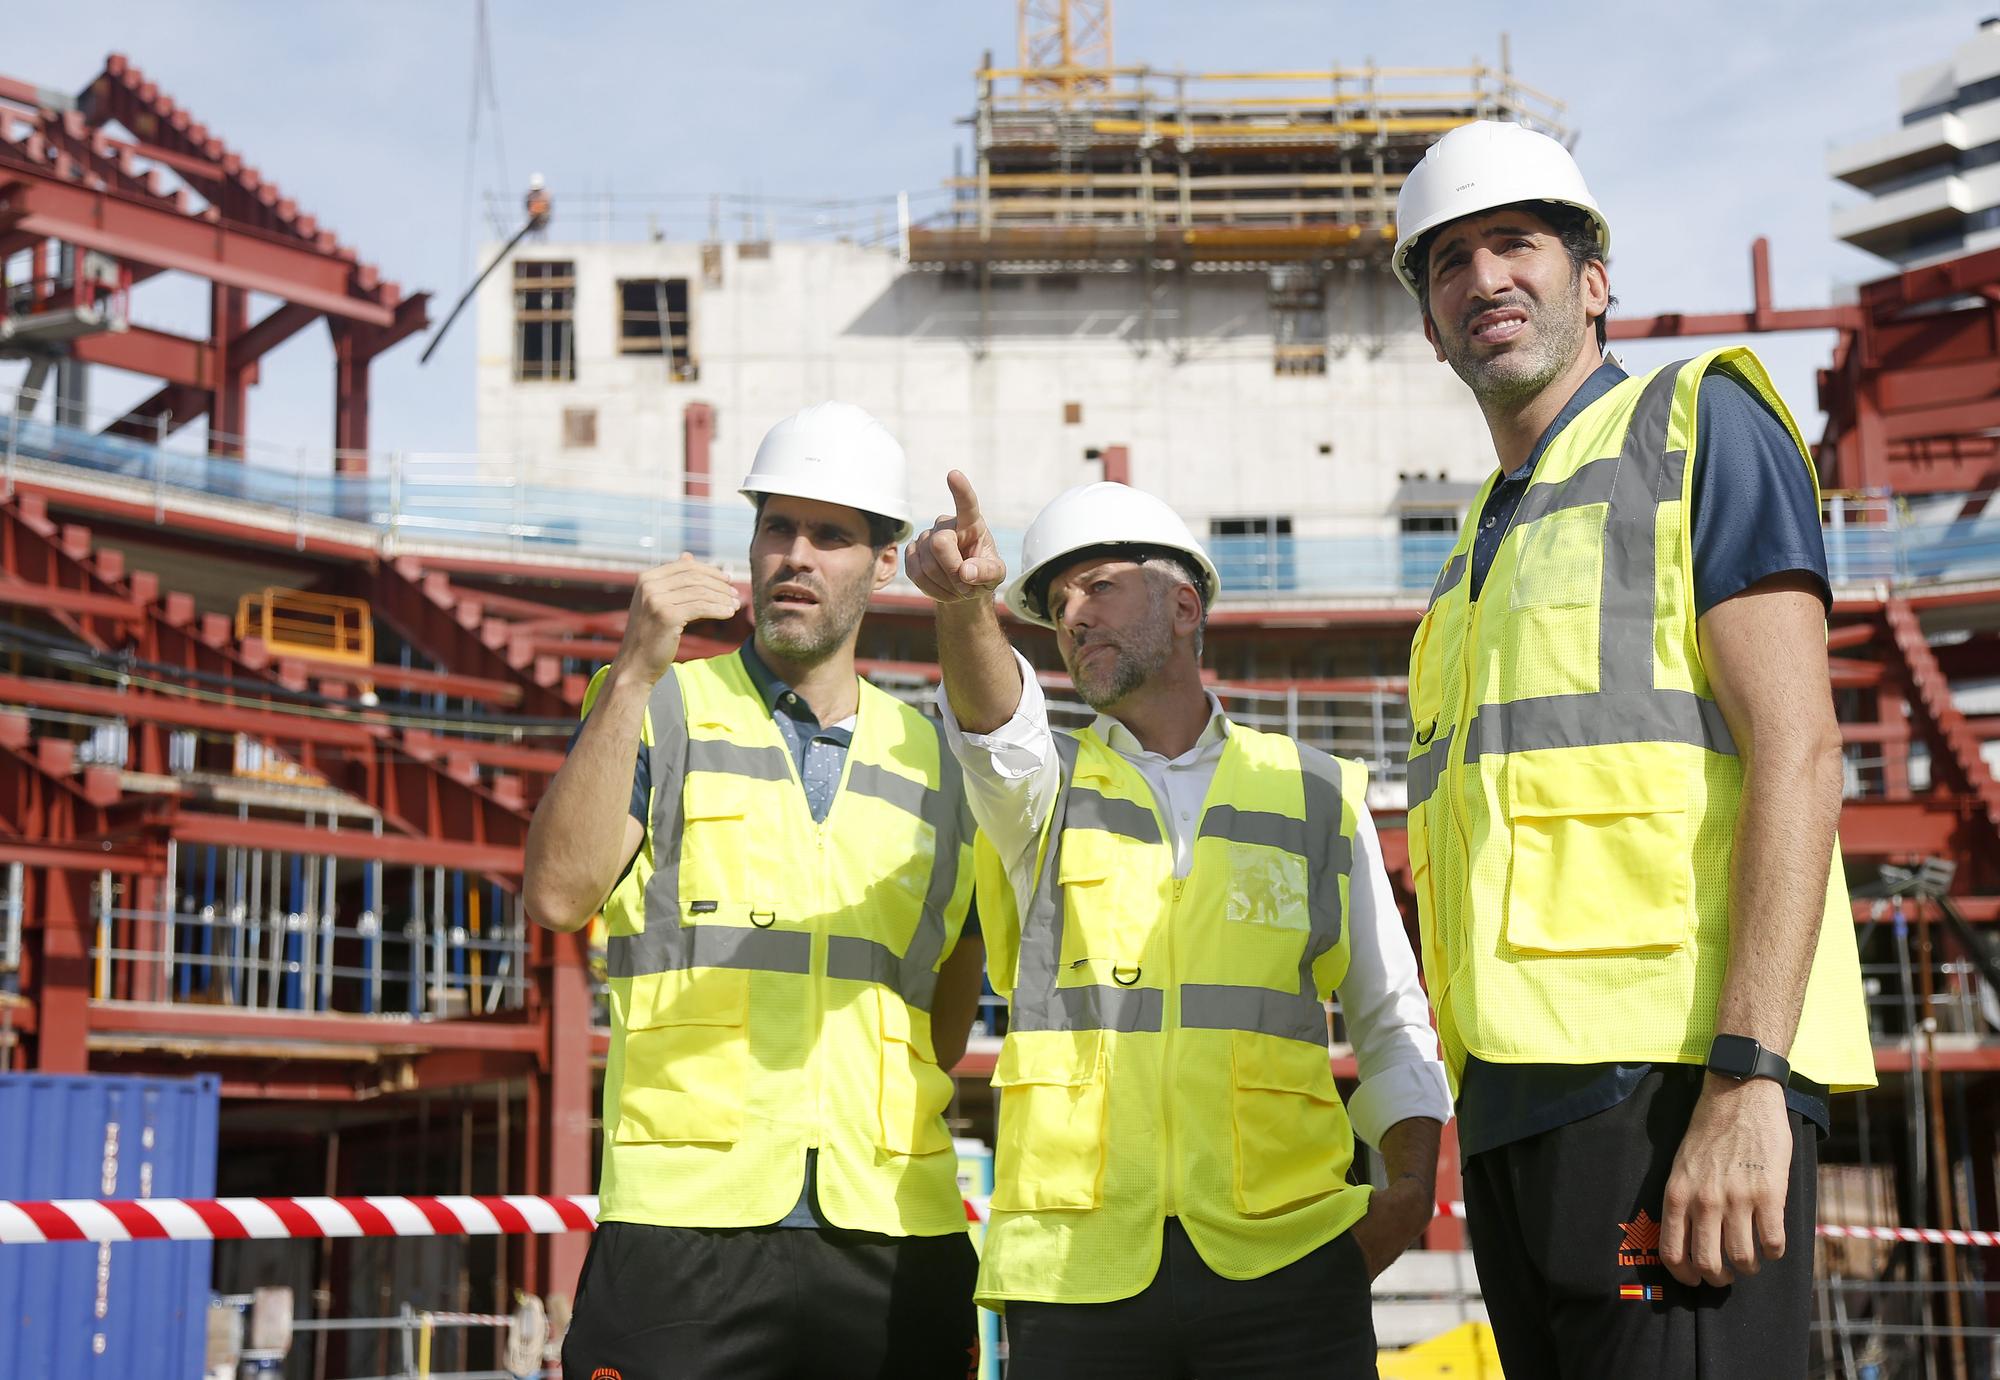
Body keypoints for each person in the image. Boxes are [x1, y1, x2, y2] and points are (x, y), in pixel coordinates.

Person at [1390, 119, 1876, 1376]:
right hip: (1510, 1106)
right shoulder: (1462, 574)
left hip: (1666, 1093)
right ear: (1429, 324)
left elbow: (1800, 750)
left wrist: (1746, 1081)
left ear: (1592, 281)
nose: (1483, 279)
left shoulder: (1693, 425)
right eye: (1447, 263)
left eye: (1515, 245)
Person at [908, 473, 1451, 1378]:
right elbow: (997, 733)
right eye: (1056, 604)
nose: (1074, 616)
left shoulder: (1315, 792)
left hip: (1288, 1261)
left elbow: (1393, 1018)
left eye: (1100, 586)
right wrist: (968, 608)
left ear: (1186, 604)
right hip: (1080, 1272)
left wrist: (1405, 1193)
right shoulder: (1044, 793)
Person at [526, 402, 987, 1380]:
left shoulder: (939, 763)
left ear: (883, 561)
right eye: (777, 527)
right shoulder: (660, 710)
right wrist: (629, 672)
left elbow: (946, 1011)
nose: (796, 556)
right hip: (684, 1220)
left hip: (891, 1220)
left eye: (831, 535)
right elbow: (560, 896)